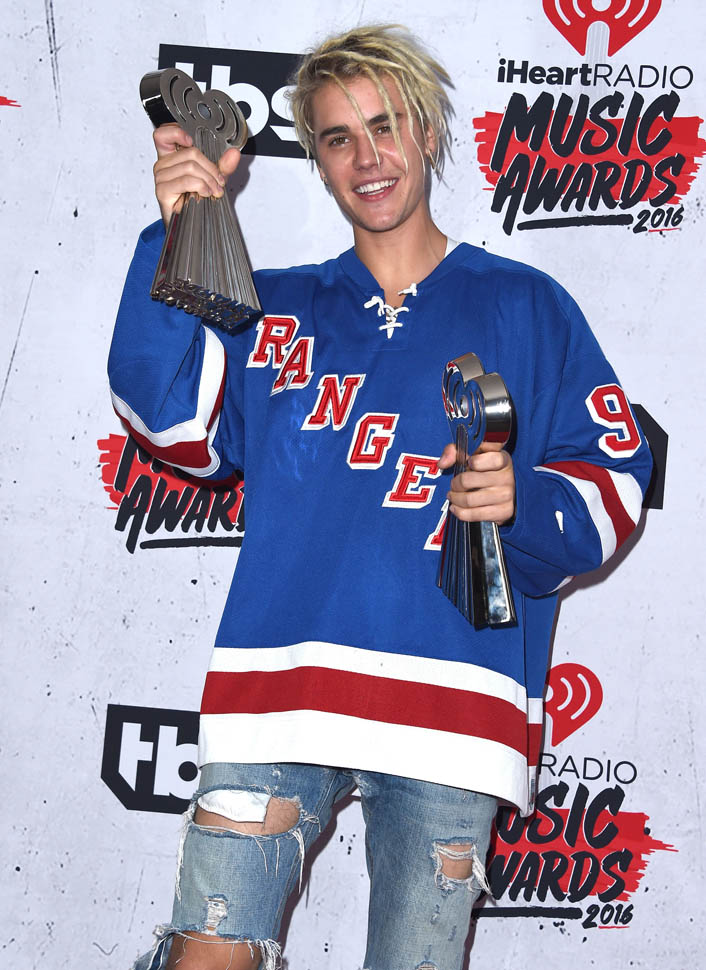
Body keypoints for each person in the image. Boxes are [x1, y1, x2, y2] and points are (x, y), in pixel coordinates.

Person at [109, 24, 653, 970]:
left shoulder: (528, 305)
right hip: (279, 690)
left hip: (455, 708)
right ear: (318, 163)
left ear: (429, 134)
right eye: (338, 137)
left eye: (387, 125)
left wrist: (521, 500)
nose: (368, 157)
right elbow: (170, 425)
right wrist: (179, 225)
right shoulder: (271, 310)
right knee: (206, 955)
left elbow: (613, 481)